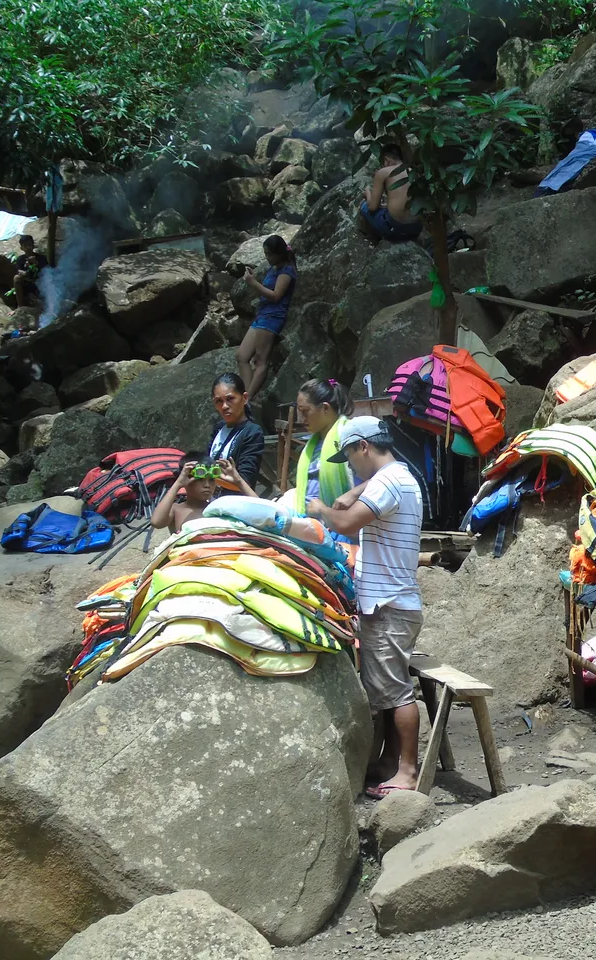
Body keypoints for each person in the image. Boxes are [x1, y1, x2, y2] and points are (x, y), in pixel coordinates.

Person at [307, 417, 423, 797]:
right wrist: (356, 491)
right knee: (386, 690)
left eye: (351, 457)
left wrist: (322, 509)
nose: (351, 467)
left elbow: (346, 524)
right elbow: (363, 496)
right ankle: (390, 764)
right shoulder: (397, 477)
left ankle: (407, 772)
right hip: (391, 601)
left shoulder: (389, 481)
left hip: (390, 603)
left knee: (397, 690)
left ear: (363, 448)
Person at [237, 236, 297, 396]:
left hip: (273, 317)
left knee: (261, 360)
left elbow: (276, 295)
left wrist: (253, 283)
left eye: (270, 254)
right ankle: (246, 396)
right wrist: (254, 280)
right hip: (262, 315)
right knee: (242, 356)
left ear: (279, 254)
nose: (267, 258)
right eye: (265, 254)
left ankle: (246, 401)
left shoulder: (287, 271)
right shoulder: (275, 268)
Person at [292, 378, 358, 518]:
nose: (301, 419)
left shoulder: (350, 438)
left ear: (325, 408)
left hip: (340, 524)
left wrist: (353, 494)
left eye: (305, 411)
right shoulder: (312, 445)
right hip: (308, 523)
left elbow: (381, 475)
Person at [207, 373, 265, 493]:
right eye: (218, 401)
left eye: (230, 399)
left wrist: (204, 473)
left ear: (244, 398)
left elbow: (246, 481)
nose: (224, 406)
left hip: (236, 505)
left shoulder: (252, 432)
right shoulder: (218, 428)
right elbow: (206, 460)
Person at [359, 144, 423, 244]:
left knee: (364, 206)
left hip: (396, 230)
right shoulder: (414, 171)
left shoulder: (383, 172)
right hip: (416, 229)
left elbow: (372, 207)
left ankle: (373, 243)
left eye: (383, 163)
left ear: (387, 159)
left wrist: (367, 192)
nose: (383, 165)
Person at [151, 454, 219, 533]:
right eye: (200, 479)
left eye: (211, 480)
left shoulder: (217, 509)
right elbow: (157, 522)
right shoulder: (176, 509)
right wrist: (178, 484)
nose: (207, 485)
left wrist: (237, 481)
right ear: (185, 480)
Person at [12, 234, 48, 310]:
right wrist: (26, 269)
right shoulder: (20, 259)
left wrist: (36, 264)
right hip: (27, 285)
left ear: (33, 246)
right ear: (22, 248)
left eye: (29, 245)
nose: (28, 248)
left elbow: (46, 273)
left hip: (40, 285)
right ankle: (20, 307)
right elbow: (19, 271)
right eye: (25, 246)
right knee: (16, 278)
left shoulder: (42, 258)